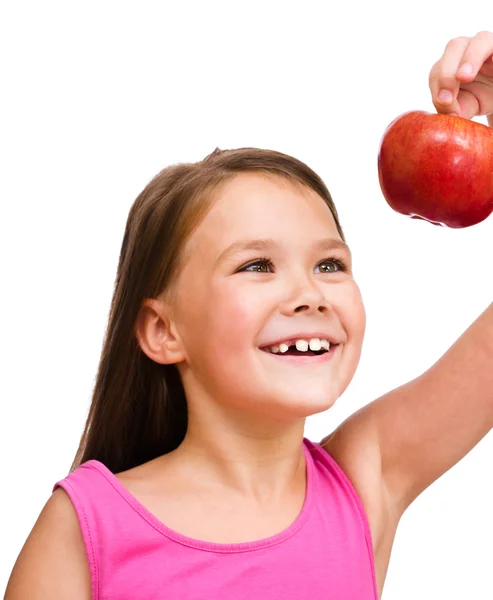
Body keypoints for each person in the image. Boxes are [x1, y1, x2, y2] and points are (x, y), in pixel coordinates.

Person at [5, 31, 493, 600]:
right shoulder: (84, 526)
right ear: (164, 331)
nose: (309, 294)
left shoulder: (366, 480)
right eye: (258, 265)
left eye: (330, 265)